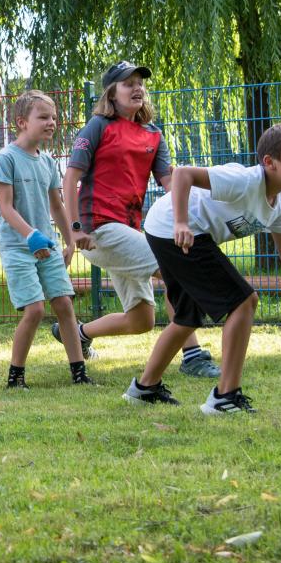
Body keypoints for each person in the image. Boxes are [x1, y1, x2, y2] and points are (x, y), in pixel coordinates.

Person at [125, 123, 281, 415]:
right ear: (269, 162)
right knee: (244, 300)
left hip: (171, 230)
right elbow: (183, 173)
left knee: (187, 316)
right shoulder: (245, 180)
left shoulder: (280, 203)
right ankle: (225, 396)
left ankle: (144, 388)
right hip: (173, 228)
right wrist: (181, 223)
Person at [59, 61, 221, 378]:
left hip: (129, 231)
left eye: (139, 83)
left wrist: (197, 208)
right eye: (127, 83)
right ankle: (193, 356)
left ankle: (79, 333)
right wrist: (74, 229)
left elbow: (171, 183)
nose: (137, 88)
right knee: (176, 268)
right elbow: (70, 179)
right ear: (111, 93)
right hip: (98, 230)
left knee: (141, 319)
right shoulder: (97, 126)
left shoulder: (153, 135)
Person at [0, 90, 93, 389]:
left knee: (64, 304)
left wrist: (70, 240)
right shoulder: (5, 158)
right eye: (44, 117)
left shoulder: (48, 162)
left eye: (54, 117)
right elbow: (5, 207)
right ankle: (16, 377)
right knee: (35, 310)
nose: (52, 123)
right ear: (22, 122)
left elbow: (57, 205)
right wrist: (31, 236)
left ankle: (79, 372)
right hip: (18, 247)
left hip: (46, 246)